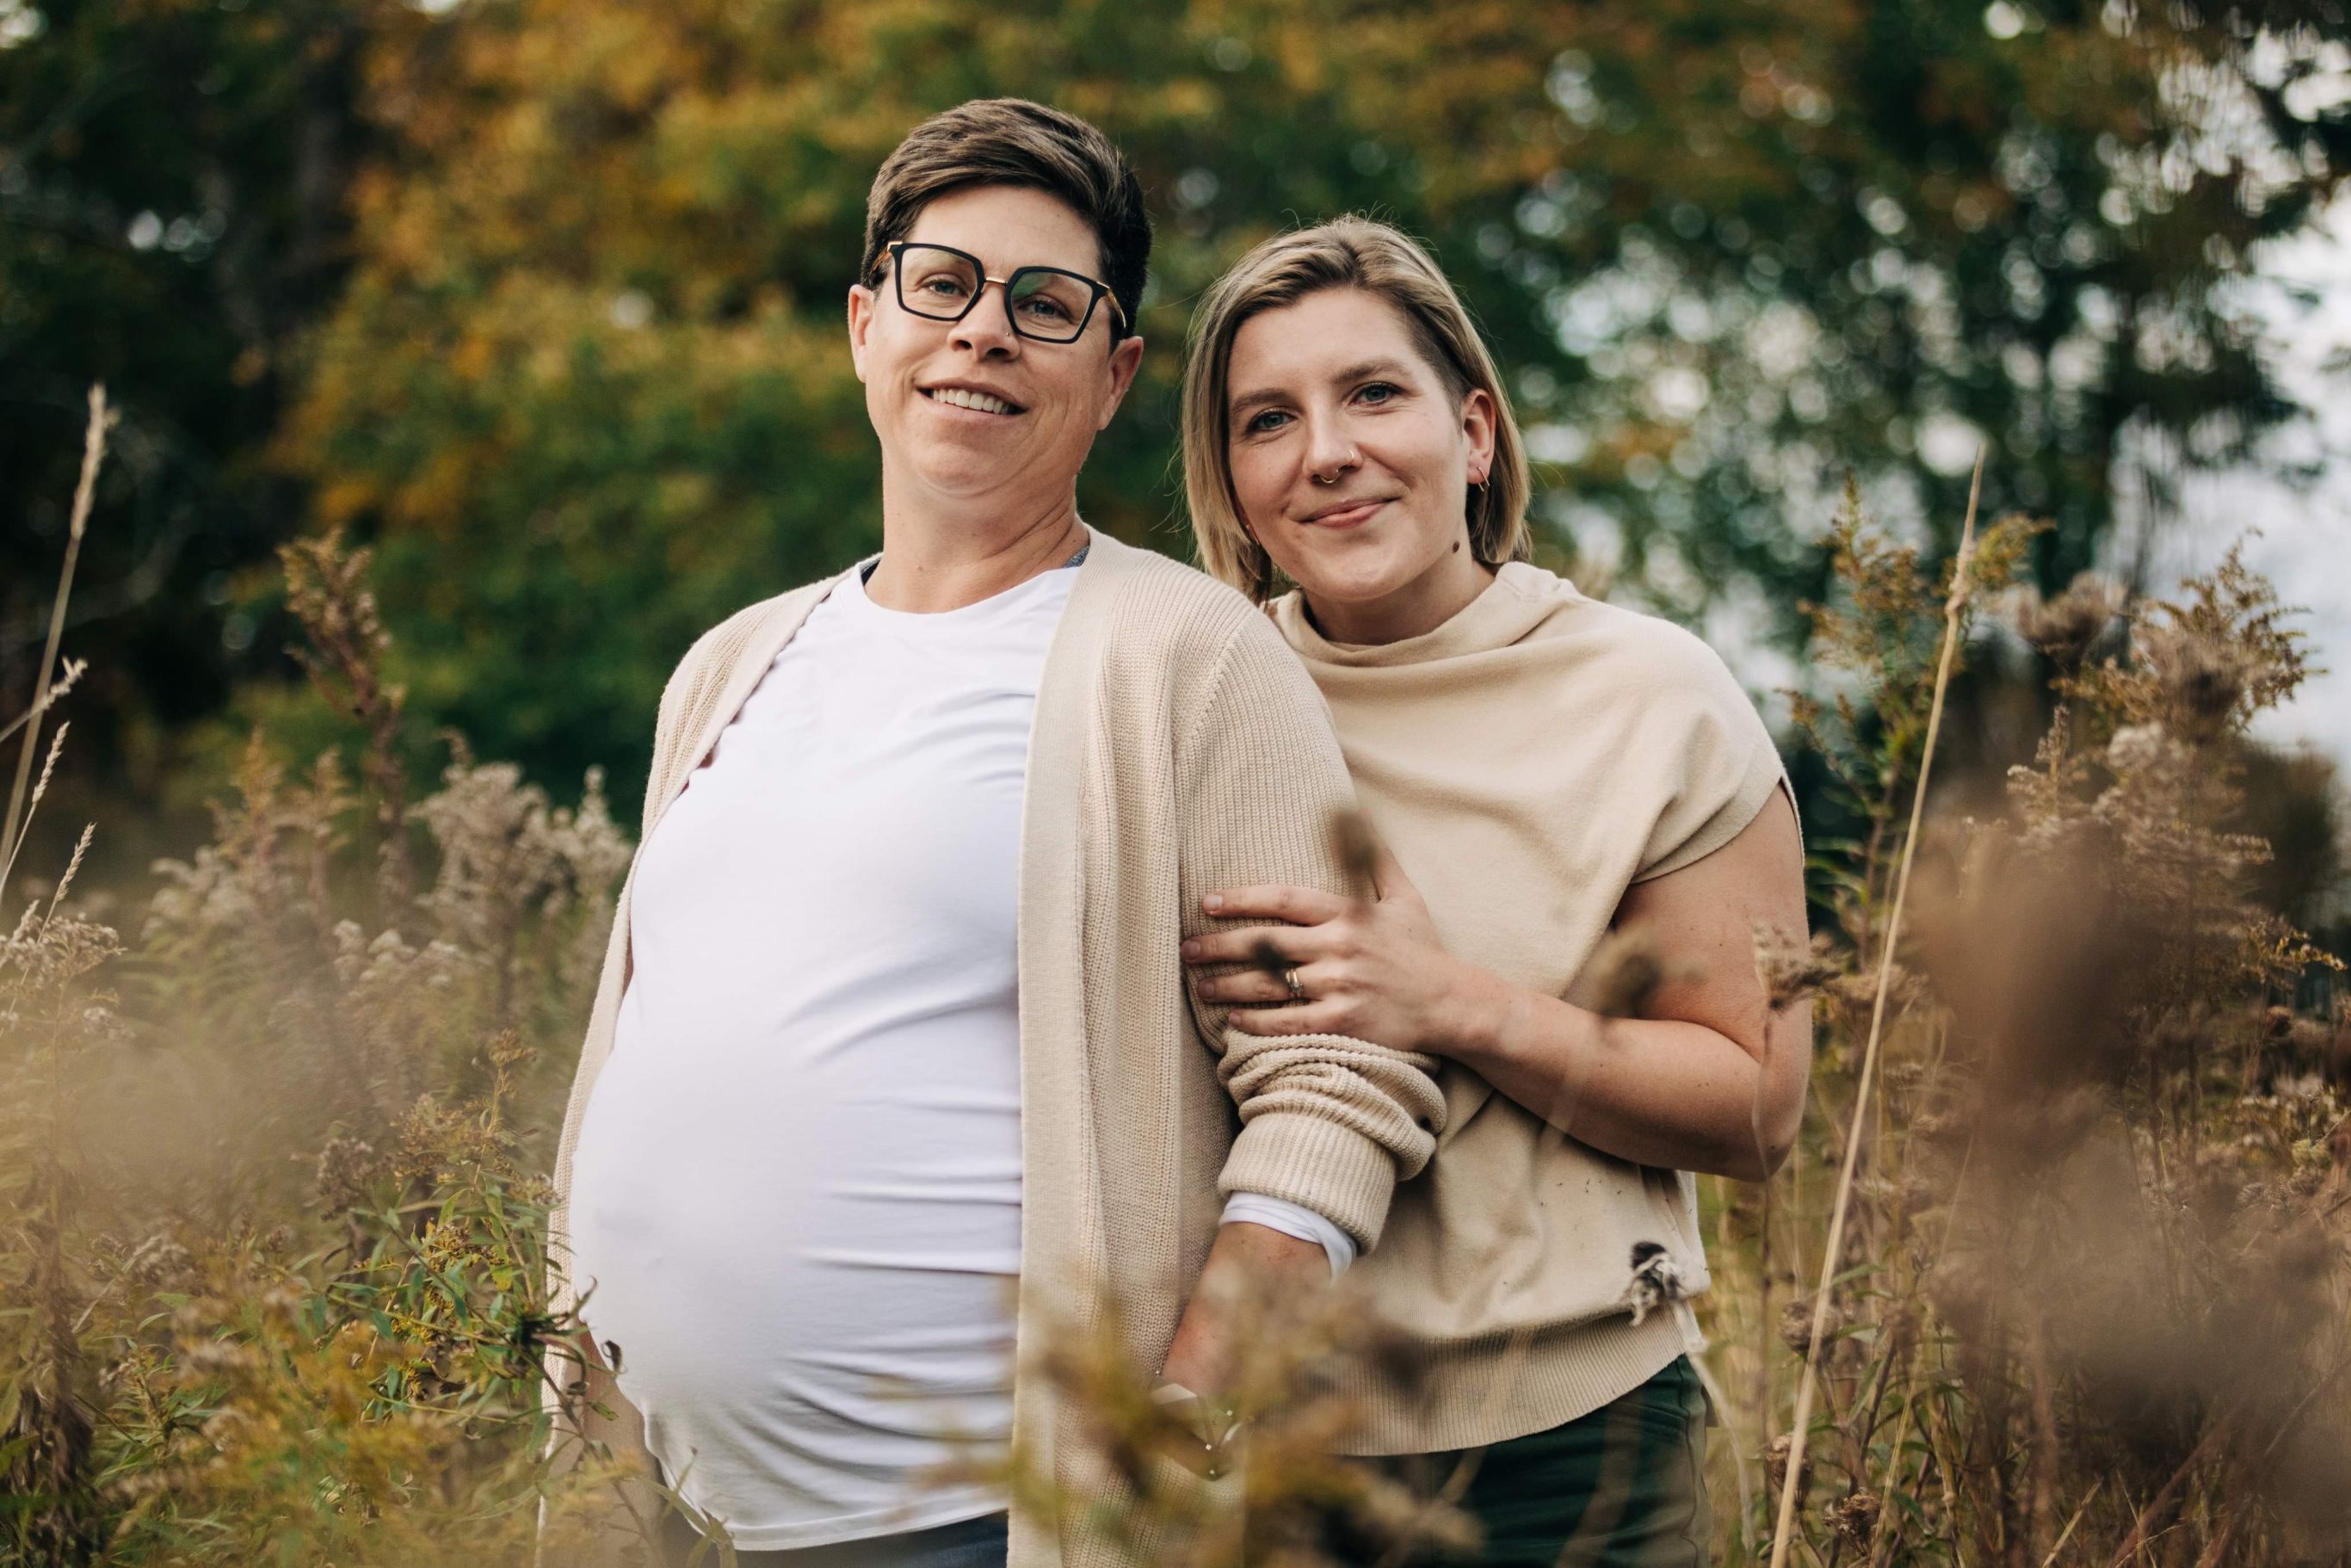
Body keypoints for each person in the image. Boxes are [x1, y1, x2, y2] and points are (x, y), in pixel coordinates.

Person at [544, 110, 1446, 1568]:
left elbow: (1341, 1072)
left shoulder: (1186, 657)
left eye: (1046, 306)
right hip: (667, 1518)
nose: (984, 335)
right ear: (864, 324)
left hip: (989, 1526)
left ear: (1115, 373)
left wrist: (1188, 1408)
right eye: (941, 285)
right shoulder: (731, 661)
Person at [1177, 217, 1813, 1566]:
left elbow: (1758, 1104)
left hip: (1579, 1453)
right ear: (1230, 485)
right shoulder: (1192, 705)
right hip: (1261, 1451)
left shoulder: (1649, 697)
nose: (1327, 449)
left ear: (1473, 434)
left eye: (1373, 393)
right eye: (1267, 420)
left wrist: (1450, 1001)